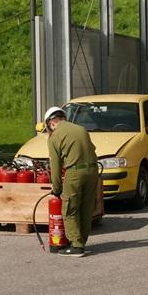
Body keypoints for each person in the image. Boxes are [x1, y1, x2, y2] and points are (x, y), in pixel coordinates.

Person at [44, 106, 99, 257]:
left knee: (69, 208)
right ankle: (81, 241)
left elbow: (55, 167)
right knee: (86, 207)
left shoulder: (55, 137)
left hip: (75, 172)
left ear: (51, 123)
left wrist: (57, 189)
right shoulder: (81, 129)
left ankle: (76, 246)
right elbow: (92, 149)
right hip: (93, 170)